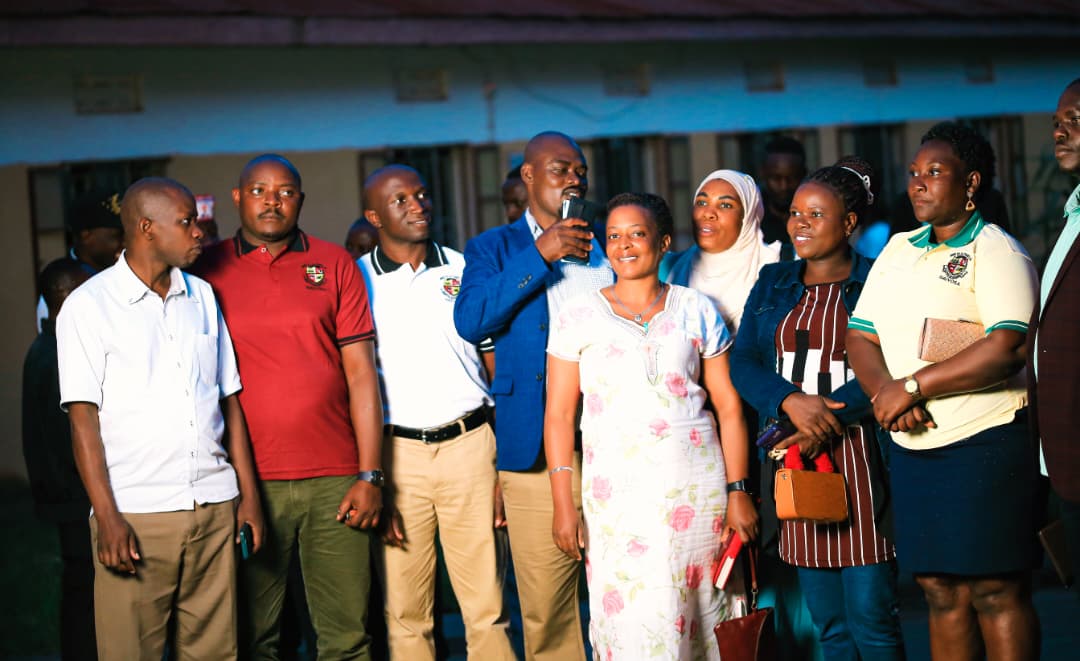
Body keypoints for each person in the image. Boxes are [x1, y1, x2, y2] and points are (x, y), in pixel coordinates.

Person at [847, 123, 1040, 659]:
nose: (918, 183)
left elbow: (1008, 347)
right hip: (914, 447)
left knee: (995, 588)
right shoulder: (898, 248)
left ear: (970, 182)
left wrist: (912, 388)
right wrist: (886, 395)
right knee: (938, 588)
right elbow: (860, 336)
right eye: (914, 172)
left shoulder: (996, 250)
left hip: (984, 441)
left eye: (934, 172)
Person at [56, 177, 264, 660]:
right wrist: (108, 518)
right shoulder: (89, 306)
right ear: (147, 228)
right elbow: (83, 421)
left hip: (214, 507)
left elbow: (228, 402)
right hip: (136, 514)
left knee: (217, 653)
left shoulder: (203, 297)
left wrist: (248, 497)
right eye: (186, 222)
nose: (199, 232)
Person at [544, 192, 757, 659]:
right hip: (615, 503)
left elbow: (728, 407)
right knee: (628, 619)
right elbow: (558, 415)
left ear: (662, 243)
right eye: (613, 236)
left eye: (636, 234)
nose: (623, 245)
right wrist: (563, 503)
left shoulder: (696, 308)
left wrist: (738, 490)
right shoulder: (576, 315)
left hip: (697, 496)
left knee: (702, 615)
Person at [193, 154, 384, 659]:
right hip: (247, 482)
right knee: (254, 639)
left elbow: (362, 375)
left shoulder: (336, 263)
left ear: (300, 199)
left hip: (336, 478)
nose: (272, 201)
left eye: (284, 192)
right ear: (238, 198)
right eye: (259, 190)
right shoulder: (205, 270)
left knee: (348, 637)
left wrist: (370, 475)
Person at [732, 159, 905, 661]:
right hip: (797, 466)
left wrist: (824, 418)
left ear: (848, 223)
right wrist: (791, 403)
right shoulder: (773, 281)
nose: (799, 223)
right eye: (794, 213)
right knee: (829, 626)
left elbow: (894, 365)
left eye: (815, 214)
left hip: (863, 461)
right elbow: (745, 360)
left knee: (873, 623)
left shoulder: (879, 281)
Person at [454, 131, 613, 661]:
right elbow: (471, 320)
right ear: (528, 176)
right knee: (547, 611)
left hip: (615, 443)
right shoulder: (492, 248)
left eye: (580, 171)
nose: (574, 179)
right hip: (533, 453)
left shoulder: (608, 243)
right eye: (560, 169)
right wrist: (541, 252)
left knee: (627, 592)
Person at [357, 164, 514, 660]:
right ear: (373, 216)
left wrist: (502, 467)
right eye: (400, 199)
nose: (418, 205)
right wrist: (373, 474)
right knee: (406, 614)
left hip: (471, 445)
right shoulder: (356, 279)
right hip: (397, 455)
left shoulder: (466, 268)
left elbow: (494, 365)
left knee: (487, 606)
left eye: (421, 194)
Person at [22, 257, 94, 660]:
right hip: (74, 497)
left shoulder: (48, 346)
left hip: (67, 494)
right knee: (85, 591)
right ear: (66, 296)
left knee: (82, 588)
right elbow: (65, 437)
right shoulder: (58, 353)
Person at [1030, 77, 1080, 594]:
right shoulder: (1073, 212)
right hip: (1063, 453)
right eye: (1057, 124)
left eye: (1075, 121)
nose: (1060, 134)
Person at [661, 169, 781, 335]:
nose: (708, 213)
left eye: (725, 205)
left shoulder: (778, 272)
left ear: (747, 216)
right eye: (701, 202)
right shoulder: (667, 270)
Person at [35, 189, 124, 331]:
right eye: (118, 235)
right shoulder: (63, 290)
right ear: (85, 235)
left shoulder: (124, 273)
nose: (126, 243)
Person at [759, 136, 808, 247]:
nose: (784, 186)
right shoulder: (751, 217)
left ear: (804, 174)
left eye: (792, 178)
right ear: (762, 173)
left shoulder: (815, 215)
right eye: (776, 178)